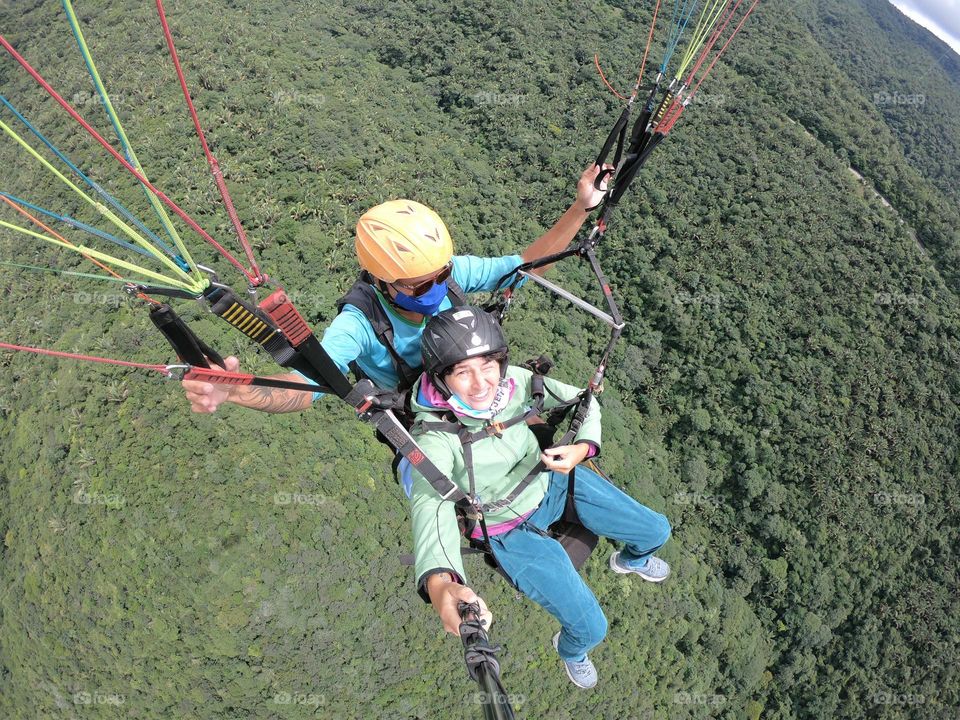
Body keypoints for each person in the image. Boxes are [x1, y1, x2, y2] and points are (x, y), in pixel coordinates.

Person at [181, 165, 609, 414]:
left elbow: (527, 266)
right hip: (424, 414)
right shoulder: (358, 325)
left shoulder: (449, 272)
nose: (438, 287)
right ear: (382, 281)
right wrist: (234, 389)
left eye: (442, 275)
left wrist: (580, 207)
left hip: (472, 384)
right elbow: (304, 386)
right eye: (421, 285)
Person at [408, 306, 671, 689]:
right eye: (462, 372)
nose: (481, 384)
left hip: (550, 482)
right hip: (504, 530)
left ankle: (631, 560)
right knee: (591, 627)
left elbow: (583, 401)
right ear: (442, 379)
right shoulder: (435, 438)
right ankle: (570, 651)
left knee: (656, 530)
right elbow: (430, 506)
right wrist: (441, 584)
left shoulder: (513, 383)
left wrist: (582, 448)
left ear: (500, 363)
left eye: (487, 366)